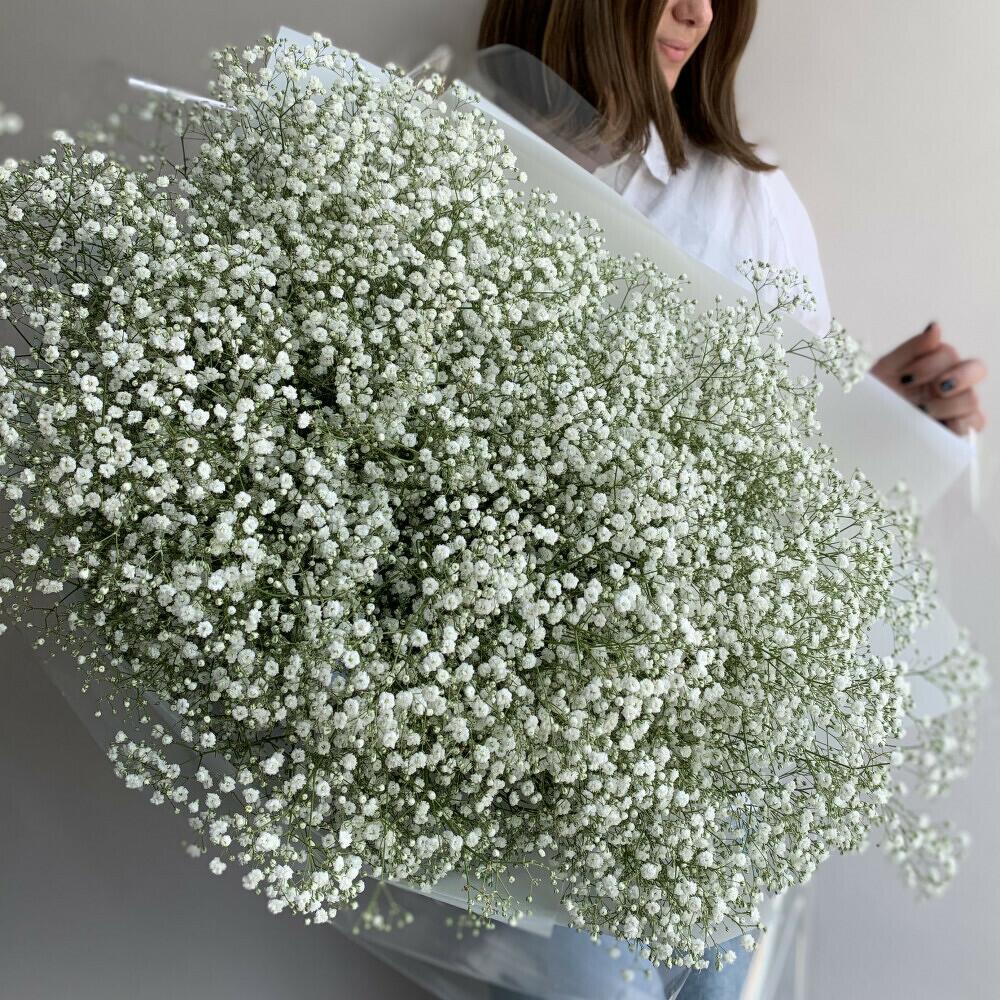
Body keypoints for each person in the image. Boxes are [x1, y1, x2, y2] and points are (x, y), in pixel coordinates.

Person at [476, 0, 988, 439]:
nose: (699, 14)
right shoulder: (450, 143)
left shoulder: (748, 203)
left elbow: (803, 443)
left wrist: (871, 423)